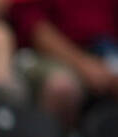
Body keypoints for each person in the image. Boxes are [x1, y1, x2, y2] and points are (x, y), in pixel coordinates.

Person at [7, 0, 118, 129]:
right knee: (62, 88)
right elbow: (35, 28)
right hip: (49, 55)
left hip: (106, 51)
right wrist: (83, 65)